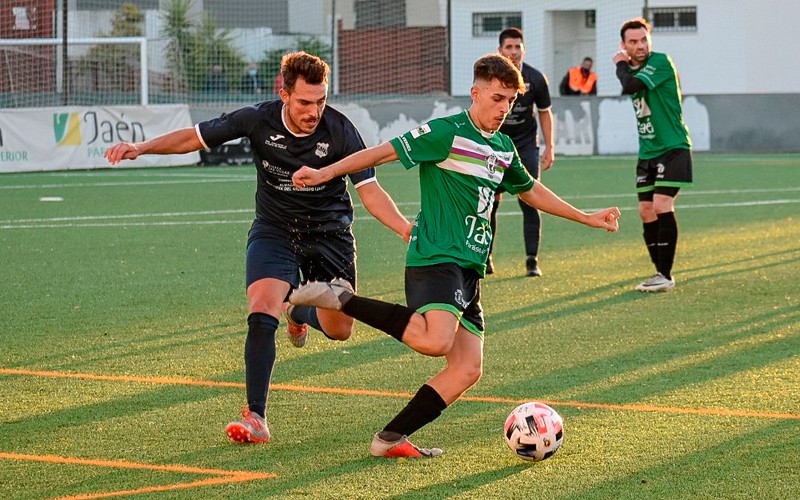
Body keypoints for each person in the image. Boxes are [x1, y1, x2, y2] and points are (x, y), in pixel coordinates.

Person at [289, 53, 621, 458]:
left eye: (511, 102)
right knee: (436, 340)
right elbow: (380, 153)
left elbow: (530, 189)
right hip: (436, 257)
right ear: (476, 93)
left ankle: (389, 439)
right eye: (497, 98)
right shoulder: (446, 133)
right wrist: (324, 173)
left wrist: (586, 217)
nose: (504, 109)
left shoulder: (502, 148)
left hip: (469, 268)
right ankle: (340, 297)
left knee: (467, 368)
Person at [104, 52, 411, 444]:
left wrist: (402, 227)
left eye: (321, 101)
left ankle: (300, 309)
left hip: (330, 235)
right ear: (282, 93)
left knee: (340, 330)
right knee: (262, 307)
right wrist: (141, 148)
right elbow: (194, 137)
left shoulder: (341, 131)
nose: (314, 111)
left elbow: (370, 190)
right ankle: (257, 418)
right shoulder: (257, 119)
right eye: (304, 102)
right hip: (275, 229)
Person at [613, 17, 693, 292]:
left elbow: (630, 86)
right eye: (633, 42)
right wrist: (625, 67)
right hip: (647, 152)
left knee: (661, 205)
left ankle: (665, 275)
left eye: (644, 39)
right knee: (646, 211)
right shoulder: (633, 70)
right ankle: (658, 273)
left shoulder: (660, 61)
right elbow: (630, 82)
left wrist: (620, 64)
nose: (640, 45)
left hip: (673, 148)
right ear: (624, 45)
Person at [487, 27, 555, 277]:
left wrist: (550, 146)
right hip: (495, 145)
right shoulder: (489, 77)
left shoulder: (536, 78)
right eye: (509, 47)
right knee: (489, 203)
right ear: (500, 51)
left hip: (526, 146)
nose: (513, 52)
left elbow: (545, 113)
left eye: (517, 47)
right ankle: (486, 258)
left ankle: (531, 261)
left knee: (530, 200)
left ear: (523, 49)